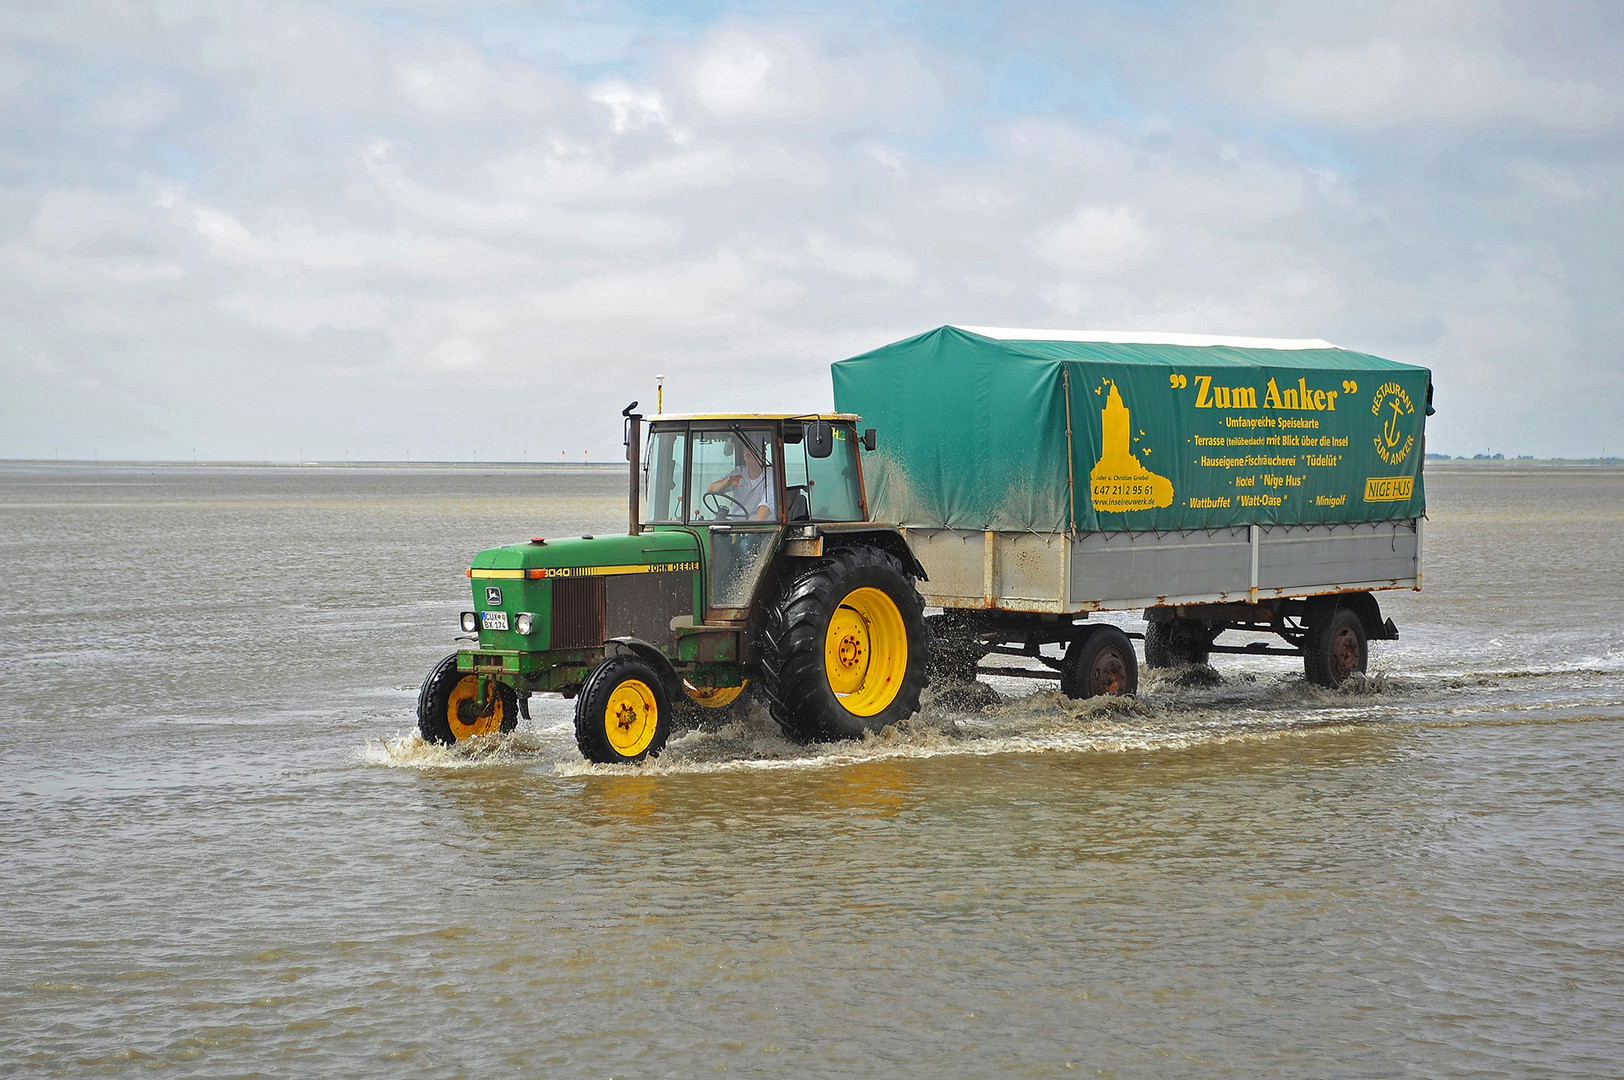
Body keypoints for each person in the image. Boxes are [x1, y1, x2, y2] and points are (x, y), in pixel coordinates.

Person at [707, 434, 775, 521]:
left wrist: (756, 530)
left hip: (761, 528)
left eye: (755, 455)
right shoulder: (738, 472)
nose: (752, 459)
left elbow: (766, 505)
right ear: (744, 456)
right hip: (736, 526)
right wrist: (727, 483)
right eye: (748, 455)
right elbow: (711, 489)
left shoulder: (770, 475)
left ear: (763, 456)